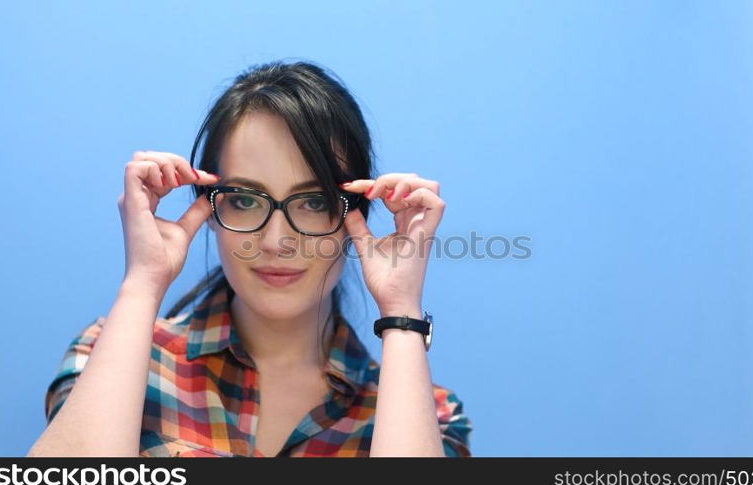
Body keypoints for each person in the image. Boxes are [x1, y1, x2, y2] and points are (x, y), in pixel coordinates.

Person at [26, 60, 472, 457]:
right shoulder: (115, 354)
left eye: (314, 202)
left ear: (355, 214)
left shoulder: (430, 414)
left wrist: (401, 312)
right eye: (244, 200)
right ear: (210, 210)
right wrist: (143, 283)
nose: (276, 241)